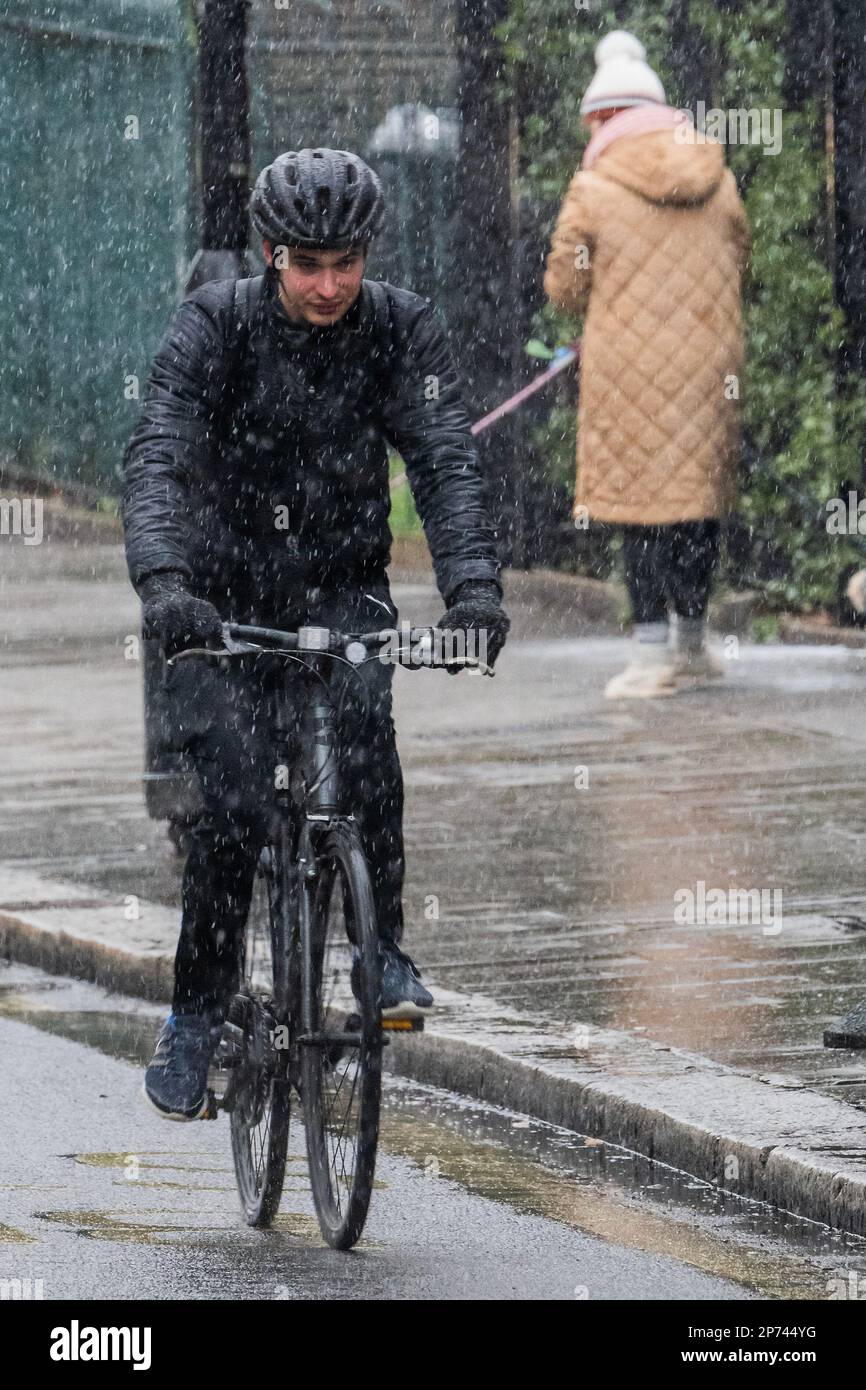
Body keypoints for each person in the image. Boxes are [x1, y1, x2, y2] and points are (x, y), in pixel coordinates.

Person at [122, 148, 509, 1120]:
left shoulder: (398, 327)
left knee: (368, 738)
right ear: (269, 254)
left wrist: (471, 594)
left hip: (342, 584)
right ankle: (195, 1013)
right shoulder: (216, 323)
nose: (329, 285)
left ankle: (382, 949)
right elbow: (159, 453)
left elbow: (445, 463)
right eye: (307, 264)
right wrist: (166, 583)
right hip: (221, 597)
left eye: (346, 262)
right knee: (235, 799)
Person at [544, 31, 750, 698]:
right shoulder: (719, 181)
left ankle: (651, 656)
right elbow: (741, 261)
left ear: (602, 117)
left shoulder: (595, 187)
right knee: (694, 501)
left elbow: (564, 288)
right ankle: (693, 644)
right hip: (711, 362)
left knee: (639, 507)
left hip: (627, 369)